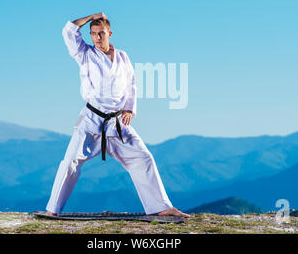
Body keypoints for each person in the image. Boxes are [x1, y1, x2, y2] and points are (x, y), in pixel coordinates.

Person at [45, 12, 190, 218]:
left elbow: (131, 84)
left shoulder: (123, 56)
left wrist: (130, 108)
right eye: (93, 33)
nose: (97, 37)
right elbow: (68, 30)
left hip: (118, 122)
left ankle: (161, 207)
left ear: (110, 33)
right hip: (91, 121)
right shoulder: (84, 54)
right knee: (70, 163)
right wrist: (91, 17)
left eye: (101, 33)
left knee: (143, 158)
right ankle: (52, 210)